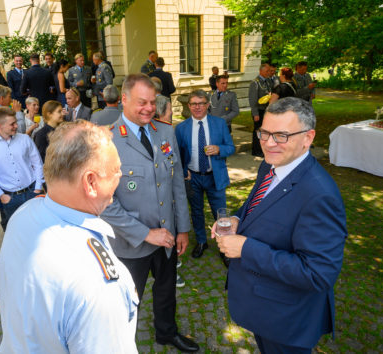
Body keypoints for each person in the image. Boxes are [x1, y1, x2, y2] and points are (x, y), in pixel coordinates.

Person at [213, 97, 347, 353]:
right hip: (263, 309)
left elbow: (318, 274)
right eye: (264, 133)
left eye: (281, 135)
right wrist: (237, 218)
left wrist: (246, 249)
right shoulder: (271, 164)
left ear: (308, 138)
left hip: (286, 320)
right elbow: (260, 202)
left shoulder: (320, 195)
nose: (269, 143)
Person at [0, 120, 138, 353]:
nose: (121, 176)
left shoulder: (24, 214)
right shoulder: (96, 286)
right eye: (116, 170)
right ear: (90, 182)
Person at [100, 74, 199, 352]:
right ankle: (119, 346)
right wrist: (146, 234)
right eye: (141, 102)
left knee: (166, 291)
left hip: (167, 236)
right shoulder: (107, 141)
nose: (148, 108)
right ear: (124, 100)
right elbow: (105, 203)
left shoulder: (165, 132)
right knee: (127, 300)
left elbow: (177, 182)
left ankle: (166, 333)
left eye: (152, 102)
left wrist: (182, 229)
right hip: (131, 243)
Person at [175, 90, 235, 265]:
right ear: (189, 106)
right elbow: (178, 154)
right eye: (193, 103)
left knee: (221, 214)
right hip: (193, 177)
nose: (197, 107)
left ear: (208, 105)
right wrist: (183, 170)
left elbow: (230, 147)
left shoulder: (219, 124)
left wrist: (219, 149)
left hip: (214, 177)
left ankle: (225, 246)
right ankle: (202, 241)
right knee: (197, 211)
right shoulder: (181, 128)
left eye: (201, 103)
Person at [0, 107, 45, 230]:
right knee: (16, 232)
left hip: (32, 192)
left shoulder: (25, 139)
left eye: (16, 122)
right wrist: (0, 194)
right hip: (10, 198)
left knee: (38, 228)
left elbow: (38, 164)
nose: (16, 126)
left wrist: (38, 187)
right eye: (12, 124)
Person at [248, 63, 272, 157]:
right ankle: (256, 150)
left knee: (265, 131)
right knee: (258, 131)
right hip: (259, 110)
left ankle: (263, 149)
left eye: (269, 71)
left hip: (266, 110)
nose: (268, 73)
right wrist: (255, 113)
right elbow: (252, 99)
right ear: (261, 71)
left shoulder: (268, 81)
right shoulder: (255, 82)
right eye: (266, 71)